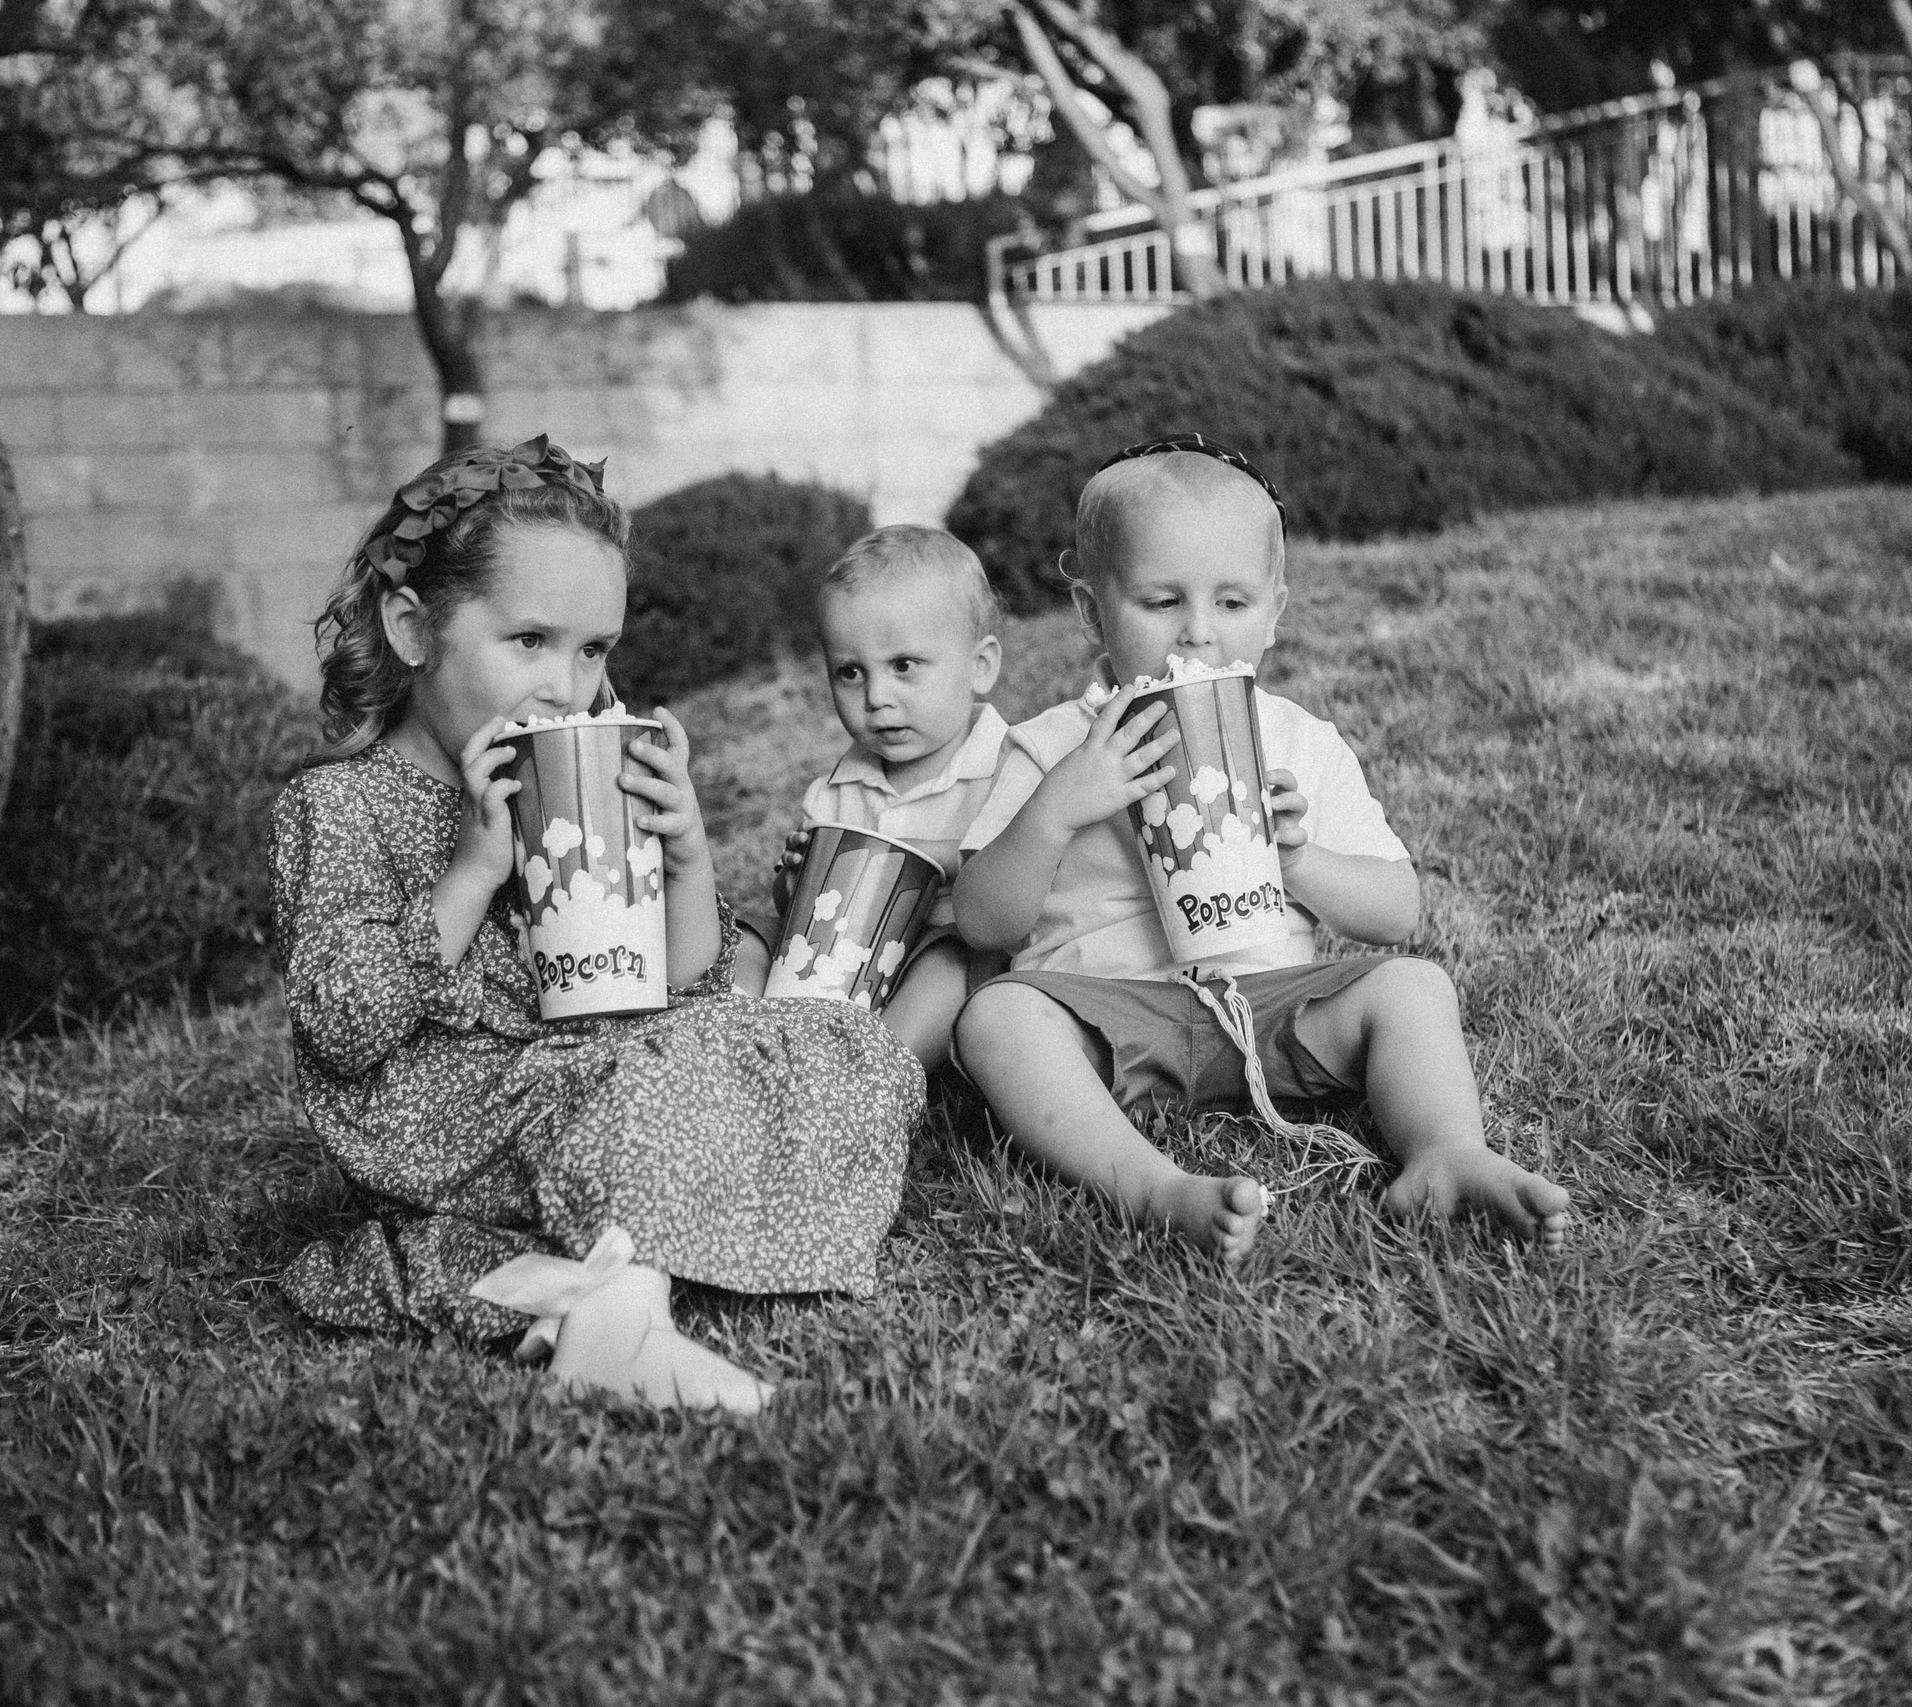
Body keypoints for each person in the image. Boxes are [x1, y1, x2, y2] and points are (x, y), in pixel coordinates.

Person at [267, 436, 922, 1414]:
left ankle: (584, 1284)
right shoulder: (342, 807)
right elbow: (341, 1026)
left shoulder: (580, 780)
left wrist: (687, 851)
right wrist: (477, 867)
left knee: (836, 1046)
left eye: (593, 651)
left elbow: (682, 979)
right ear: (411, 630)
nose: (566, 687)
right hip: (454, 1123)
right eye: (529, 641)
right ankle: (619, 1324)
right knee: (648, 1078)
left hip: (593, 1084)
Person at [950, 436, 1571, 1265]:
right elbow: (982, 921)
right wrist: (1055, 809)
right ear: (1094, 610)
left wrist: (1301, 858)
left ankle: (1445, 1150)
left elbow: (1398, 912)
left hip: (1276, 1007)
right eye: (1160, 601)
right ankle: (1150, 1187)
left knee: (1415, 987)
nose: (1198, 634)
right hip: (1113, 1015)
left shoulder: (1299, 740)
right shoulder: (1049, 747)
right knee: (998, 1016)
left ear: (1275, 612)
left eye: (1233, 604)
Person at [733, 525, 1007, 1071]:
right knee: (750, 937)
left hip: (949, 951)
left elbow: (1020, 881)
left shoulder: (1006, 765)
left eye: (904, 666)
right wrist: (794, 882)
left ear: (980, 667)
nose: (877, 697)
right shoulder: (837, 789)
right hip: (843, 956)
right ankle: (745, 1048)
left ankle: (875, 1077)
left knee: (951, 963)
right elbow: (804, 913)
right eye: (851, 673)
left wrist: (944, 855)